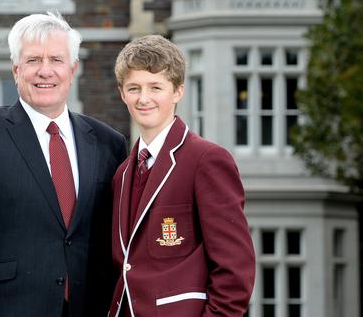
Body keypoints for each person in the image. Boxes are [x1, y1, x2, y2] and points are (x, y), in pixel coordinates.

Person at [0, 11, 127, 317]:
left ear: (73, 69)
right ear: (16, 69)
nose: (45, 71)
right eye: (34, 60)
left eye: (56, 60)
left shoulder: (109, 143)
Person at [108, 35, 255, 317]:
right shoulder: (122, 173)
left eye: (156, 87)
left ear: (178, 91)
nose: (144, 98)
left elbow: (235, 271)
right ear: (122, 93)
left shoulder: (207, 160)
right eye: (134, 88)